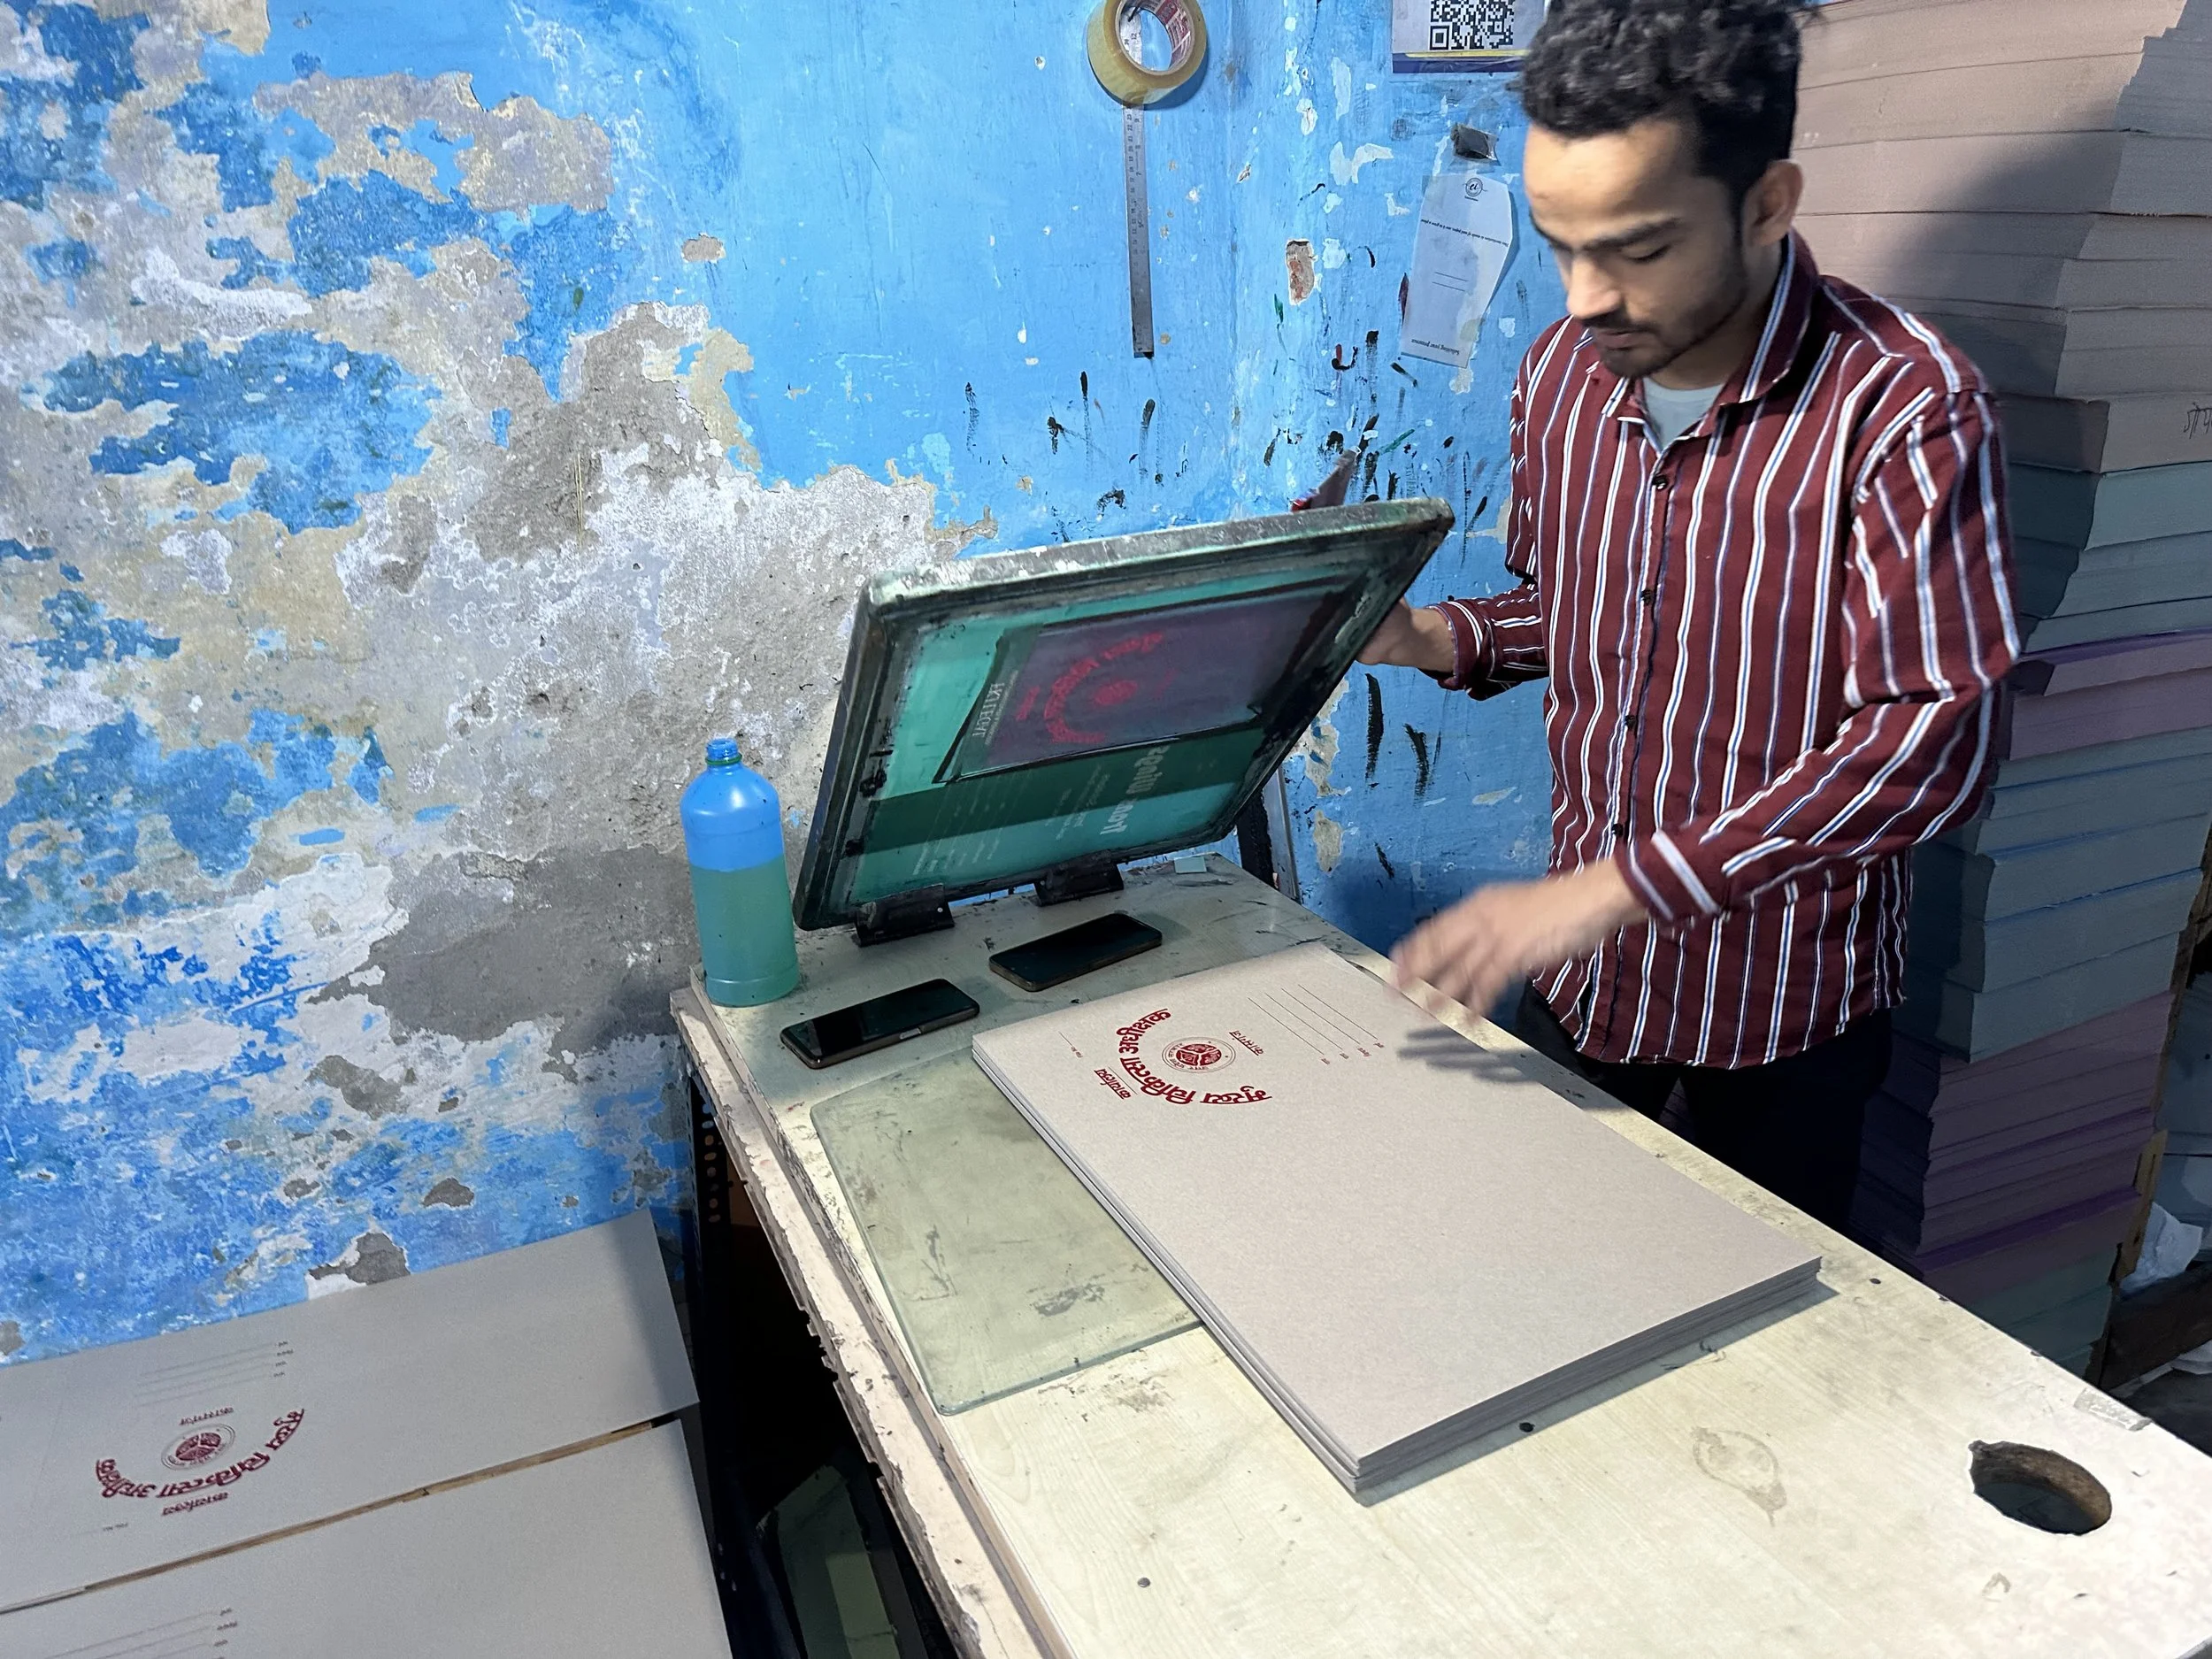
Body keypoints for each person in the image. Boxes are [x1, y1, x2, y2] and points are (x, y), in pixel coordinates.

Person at [1357, 0, 2017, 1230]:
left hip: (1781, 1018)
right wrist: (1432, 637)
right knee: (1531, 1264)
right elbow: (1573, 610)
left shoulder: (1906, 409)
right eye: (1561, 246)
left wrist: (1619, 887)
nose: (1586, 298)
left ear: (1767, 204)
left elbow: (1934, 742)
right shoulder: (1563, 375)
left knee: (1765, 1322)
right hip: (1585, 983)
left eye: (1639, 249)